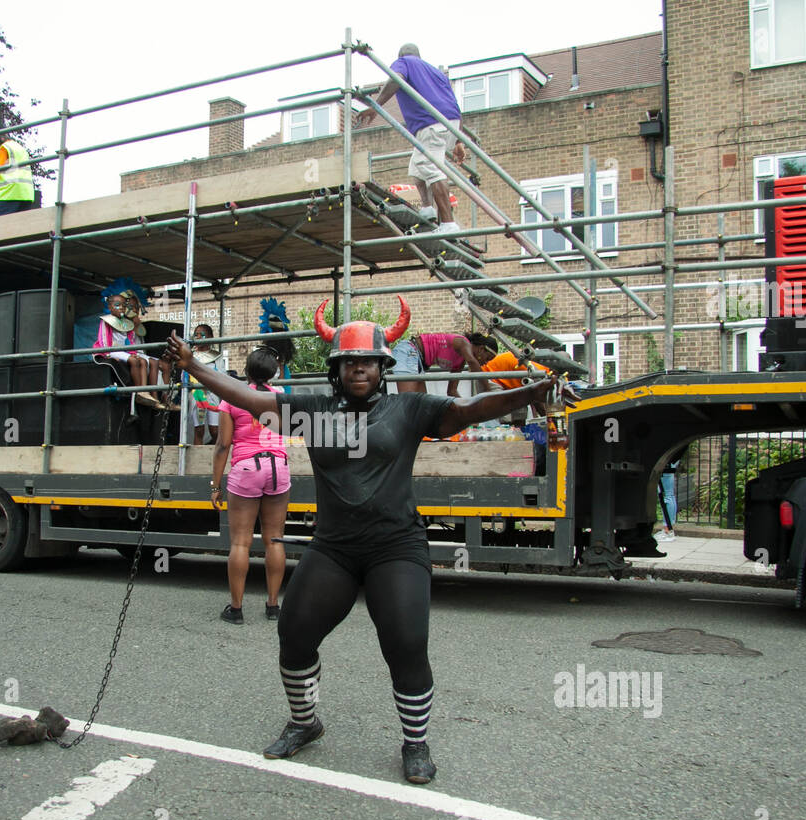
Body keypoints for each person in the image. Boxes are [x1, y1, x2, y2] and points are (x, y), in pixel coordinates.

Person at [165, 296, 575, 785]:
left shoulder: (411, 408)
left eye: (367, 361)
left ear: (383, 366)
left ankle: (415, 742)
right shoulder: (309, 410)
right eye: (348, 361)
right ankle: (304, 722)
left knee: (405, 643)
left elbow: (469, 408)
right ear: (336, 368)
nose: (358, 368)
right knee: (294, 633)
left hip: (396, 547)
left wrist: (529, 391)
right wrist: (193, 367)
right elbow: (248, 398)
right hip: (334, 548)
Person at [213, 347, 291, 625]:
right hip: (278, 468)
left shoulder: (232, 398)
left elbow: (223, 445)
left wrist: (215, 485)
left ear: (246, 371)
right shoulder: (281, 398)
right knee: (274, 539)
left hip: (246, 468)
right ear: (273, 373)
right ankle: (273, 607)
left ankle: (236, 610)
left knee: (241, 542)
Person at [353, 43, 466, 234]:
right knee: (416, 166)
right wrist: (458, 140)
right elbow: (453, 103)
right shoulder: (437, 74)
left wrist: (375, 106)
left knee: (430, 167)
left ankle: (448, 224)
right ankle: (428, 208)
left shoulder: (404, 62)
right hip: (449, 122)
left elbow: (395, 80)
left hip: (430, 123)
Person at [92, 278, 176, 411]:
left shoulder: (129, 324)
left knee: (157, 364)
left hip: (130, 352)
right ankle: (141, 392)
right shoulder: (107, 321)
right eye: (127, 306)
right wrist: (109, 354)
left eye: (131, 307)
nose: (128, 309)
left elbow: (131, 342)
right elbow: (104, 341)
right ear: (110, 307)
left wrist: (132, 352)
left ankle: (159, 397)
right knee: (139, 361)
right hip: (113, 350)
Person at [391, 331, 497, 396]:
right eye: (487, 358)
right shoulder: (463, 343)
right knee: (408, 401)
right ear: (481, 349)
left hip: (419, 362)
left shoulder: (459, 363)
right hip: (409, 352)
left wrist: (468, 412)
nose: (485, 363)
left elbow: (452, 391)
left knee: (421, 406)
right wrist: (488, 390)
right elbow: (472, 362)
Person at [189, 324, 221, 444]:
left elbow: (222, 376)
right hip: (196, 395)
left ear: (210, 337)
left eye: (202, 334)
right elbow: (185, 376)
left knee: (215, 430)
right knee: (199, 429)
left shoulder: (216, 356)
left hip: (212, 395)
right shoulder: (190, 356)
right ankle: (197, 458)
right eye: (196, 334)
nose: (198, 337)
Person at [657, 459, 679, 542]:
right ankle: (669, 529)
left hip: (666, 463)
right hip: (670, 462)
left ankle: (667, 531)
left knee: (667, 496)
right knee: (670, 495)